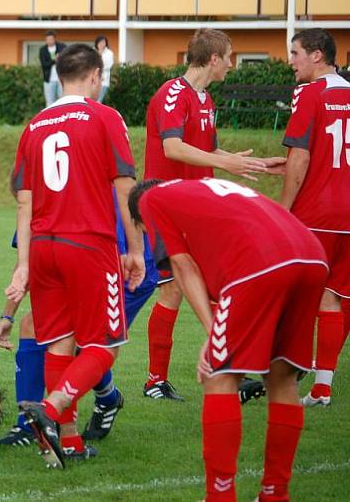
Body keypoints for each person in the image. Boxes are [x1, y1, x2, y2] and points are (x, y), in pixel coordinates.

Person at [130, 177, 328, 502]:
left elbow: (183, 265)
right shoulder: (204, 187)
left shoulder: (151, 200)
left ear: (138, 218)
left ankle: (219, 496)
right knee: (282, 380)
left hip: (260, 261)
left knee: (220, 375)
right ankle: (275, 493)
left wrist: (212, 333)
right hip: (311, 255)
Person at [5, 43, 145, 468]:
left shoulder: (35, 125)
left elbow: (23, 202)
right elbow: (125, 188)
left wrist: (24, 264)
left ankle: (64, 445)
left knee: (60, 344)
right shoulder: (105, 117)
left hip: (44, 246)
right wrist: (135, 249)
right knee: (104, 343)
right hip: (87, 243)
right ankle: (50, 410)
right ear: (96, 77)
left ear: (60, 76)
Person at [141, 28, 283, 402]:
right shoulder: (173, 93)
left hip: (199, 209)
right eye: (230, 57)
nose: (233, 65)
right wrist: (230, 164)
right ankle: (156, 380)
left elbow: (213, 153)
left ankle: (227, 368)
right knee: (172, 290)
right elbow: (173, 147)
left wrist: (257, 165)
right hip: (167, 207)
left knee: (219, 289)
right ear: (214, 58)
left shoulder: (206, 100)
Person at [0, 194, 159, 447]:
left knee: (85, 342)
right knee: (35, 327)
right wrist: (8, 315)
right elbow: (26, 261)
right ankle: (28, 425)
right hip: (76, 264)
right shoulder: (39, 198)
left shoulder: (92, 194)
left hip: (126, 271)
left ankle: (99, 401)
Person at [281, 28, 350, 407]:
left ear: (318, 55)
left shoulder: (310, 93)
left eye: (296, 53)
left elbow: (302, 157)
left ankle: (279, 372)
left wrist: (284, 209)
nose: (292, 61)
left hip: (317, 214)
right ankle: (322, 386)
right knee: (334, 298)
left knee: (294, 294)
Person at [38, 30, 66, 107]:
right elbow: (44, 64)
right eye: (48, 39)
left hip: (61, 79)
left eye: (51, 39)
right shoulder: (43, 50)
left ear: (54, 39)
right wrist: (54, 60)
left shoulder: (62, 47)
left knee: (62, 100)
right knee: (50, 102)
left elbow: (66, 59)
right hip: (49, 80)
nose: (49, 41)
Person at [94, 35, 114, 103]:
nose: (102, 44)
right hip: (93, 79)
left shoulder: (109, 53)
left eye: (103, 42)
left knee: (99, 100)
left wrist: (98, 66)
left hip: (104, 80)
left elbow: (109, 65)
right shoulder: (93, 52)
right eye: (100, 42)